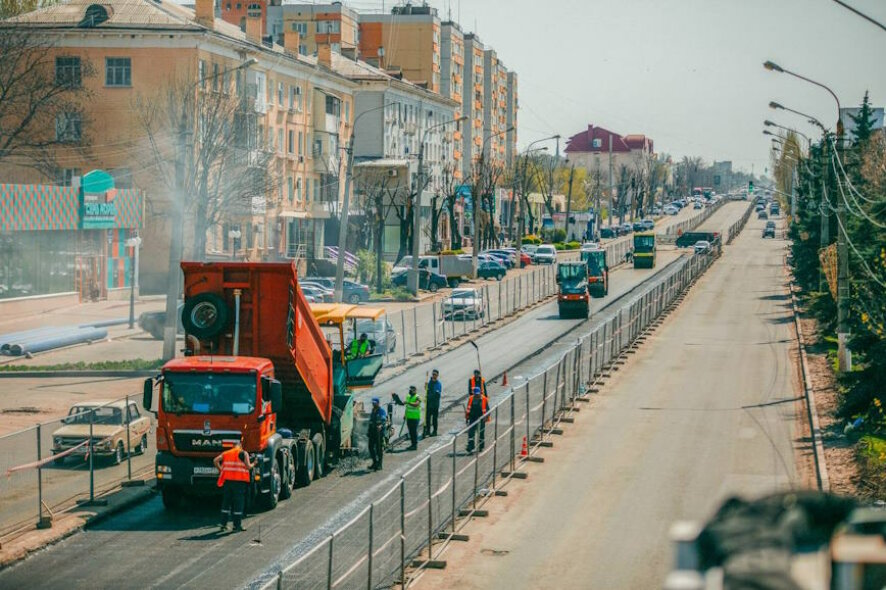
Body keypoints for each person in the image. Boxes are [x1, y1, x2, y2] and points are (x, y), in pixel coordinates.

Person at [214, 438, 257, 532]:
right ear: (240, 445)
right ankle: (236, 526)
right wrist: (254, 463)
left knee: (226, 503)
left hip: (228, 481)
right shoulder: (243, 453)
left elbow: (215, 460)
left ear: (233, 446)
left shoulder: (226, 453)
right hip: (239, 482)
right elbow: (248, 467)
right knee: (238, 504)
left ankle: (223, 525)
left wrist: (221, 470)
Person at [465, 386, 489, 453]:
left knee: (481, 432)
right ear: (474, 393)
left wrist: (486, 417)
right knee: (471, 432)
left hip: (481, 417)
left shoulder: (484, 399)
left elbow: (487, 409)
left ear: (480, 393)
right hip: (473, 417)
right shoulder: (471, 399)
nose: (477, 395)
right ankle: (470, 446)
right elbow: (468, 408)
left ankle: (481, 446)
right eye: (475, 394)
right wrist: (467, 417)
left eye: (478, 394)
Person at [367, 397, 387, 471]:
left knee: (379, 449)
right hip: (372, 432)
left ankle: (379, 464)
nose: (373, 404)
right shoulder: (373, 411)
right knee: (370, 447)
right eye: (373, 403)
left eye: (375, 403)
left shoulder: (381, 411)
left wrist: (380, 425)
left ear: (378, 403)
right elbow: (371, 421)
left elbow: (384, 419)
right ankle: (374, 462)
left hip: (379, 433)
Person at [423, 369, 442, 437]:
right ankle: (428, 430)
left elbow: (437, 394)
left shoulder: (438, 384)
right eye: (433, 374)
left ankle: (434, 431)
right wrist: (426, 387)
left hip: (435, 404)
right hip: (429, 404)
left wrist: (430, 396)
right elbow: (427, 390)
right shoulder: (429, 383)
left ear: (437, 375)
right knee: (427, 418)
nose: (434, 376)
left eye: (435, 375)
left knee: (434, 418)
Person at [404, 385, 421, 450]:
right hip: (409, 417)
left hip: (415, 417)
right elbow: (407, 407)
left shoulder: (417, 397)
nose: (409, 391)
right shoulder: (408, 396)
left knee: (414, 432)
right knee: (411, 432)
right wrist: (405, 414)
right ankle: (412, 444)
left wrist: (408, 402)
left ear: (414, 390)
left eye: (410, 390)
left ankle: (415, 445)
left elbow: (416, 404)